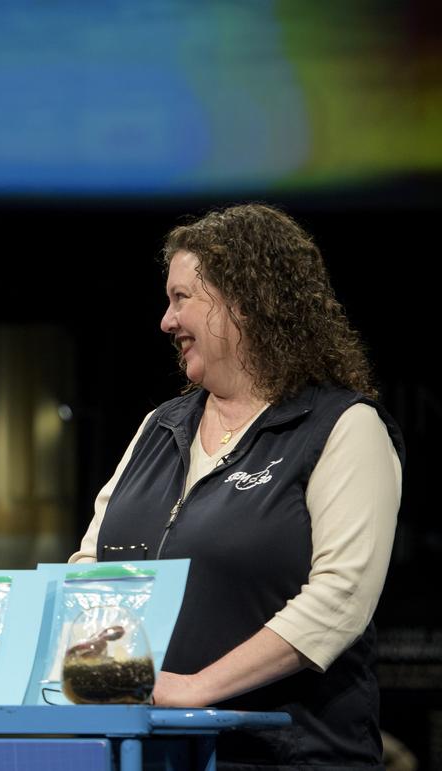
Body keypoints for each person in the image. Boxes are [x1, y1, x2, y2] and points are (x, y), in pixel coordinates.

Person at [71, 203, 403, 768]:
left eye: (182, 299)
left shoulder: (342, 427)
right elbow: (91, 564)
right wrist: (92, 678)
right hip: (151, 752)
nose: (166, 321)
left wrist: (198, 687)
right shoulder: (160, 426)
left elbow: (339, 600)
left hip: (289, 754)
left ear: (244, 301)